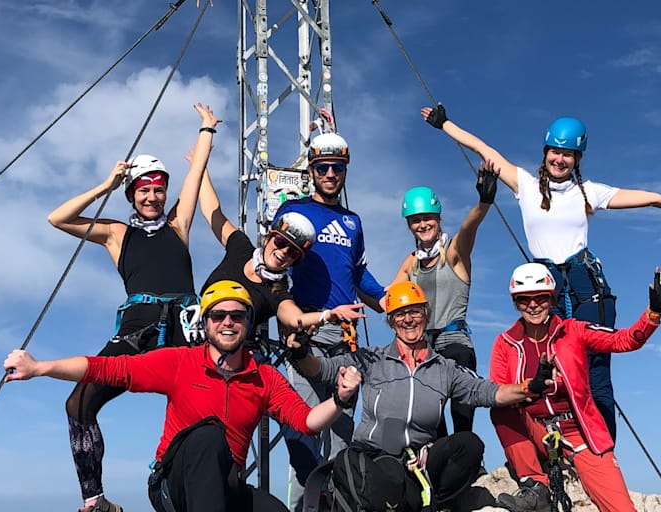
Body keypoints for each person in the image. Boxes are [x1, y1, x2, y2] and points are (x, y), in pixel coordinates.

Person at [422, 103, 661, 440]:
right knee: (547, 371)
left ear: (577, 159)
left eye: (568, 154)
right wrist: (445, 124)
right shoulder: (524, 185)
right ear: (545, 153)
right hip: (544, 289)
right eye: (555, 151)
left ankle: (603, 453)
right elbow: (482, 148)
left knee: (597, 376)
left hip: (588, 289)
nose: (560, 159)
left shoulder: (589, 193)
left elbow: (652, 198)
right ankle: (555, 454)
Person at [4, 280, 364, 512]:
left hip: (226, 485)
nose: (227, 322)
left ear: (248, 323)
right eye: (218, 315)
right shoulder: (181, 362)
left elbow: (305, 421)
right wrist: (41, 367)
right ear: (205, 323)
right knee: (209, 435)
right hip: (171, 485)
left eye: (237, 315)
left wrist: (342, 398)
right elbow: (109, 369)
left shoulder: (264, 377)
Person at [44, 103, 217, 511]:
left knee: (201, 414)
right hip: (138, 329)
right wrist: (105, 185)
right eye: (144, 190)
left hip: (184, 327)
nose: (153, 197)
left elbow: (193, 178)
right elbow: (58, 218)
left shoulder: (178, 225)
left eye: (158, 190)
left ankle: (200, 494)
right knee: (79, 403)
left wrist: (206, 129)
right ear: (132, 194)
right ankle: (96, 500)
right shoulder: (115, 234)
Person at [288, 281, 546, 511]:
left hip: (420, 464)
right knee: (383, 481)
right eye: (400, 314)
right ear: (390, 321)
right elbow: (323, 370)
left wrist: (528, 388)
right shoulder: (372, 358)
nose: (408, 319)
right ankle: (413, 500)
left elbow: (488, 392)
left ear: (426, 314)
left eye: (414, 311)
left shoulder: (445, 368)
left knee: (469, 445)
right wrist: (301, 353)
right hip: (377, 458)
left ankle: (433, 501)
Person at [490, 263, 661, 512]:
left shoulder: (573, 331)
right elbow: (498, 393)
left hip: (579, 431)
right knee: (501, 410)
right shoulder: (505, 343)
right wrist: (529, 388)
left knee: (621, 508)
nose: (533, 305)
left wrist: (654, 312)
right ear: (515, 302)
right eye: (524, 299)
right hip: (535, 430)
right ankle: (536, 486)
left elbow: (624, 340)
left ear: (552, 298)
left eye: (540, 297)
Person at [273, 127, 388, 507]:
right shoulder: (292, 211)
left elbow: (357, 274)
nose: (330, 174)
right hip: (307, 334)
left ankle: (340, 504)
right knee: (303, 428)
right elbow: (272, 264)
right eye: (322, 167)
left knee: (343, 434)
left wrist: (389, 302)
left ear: (344, 171)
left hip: (346, 339)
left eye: (337, 168)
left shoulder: (353, 222)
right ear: (311, 170)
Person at [187, 144, 367, 344]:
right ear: (268, 238)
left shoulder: (276, 292)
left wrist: (328, 315)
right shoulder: (241, 248)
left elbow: (296, 319)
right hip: (194, 340)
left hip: (229, 357)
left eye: (293, 253)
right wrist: (200, 166)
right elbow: (213, 212)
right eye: (281, 242)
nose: (283, 252)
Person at [388, 167, 495, 436]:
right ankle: (442, 457)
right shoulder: (411, 262)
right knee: (429, 414)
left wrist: (483, 203)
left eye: (428, 218)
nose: (422, 224)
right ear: (408, 225)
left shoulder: (453, 253)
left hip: (454, 340)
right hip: (424, 346)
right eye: (415, 220)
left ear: (438, 219)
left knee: (461, 398)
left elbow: (468, 229)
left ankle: (466, 447)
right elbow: (387, 299)